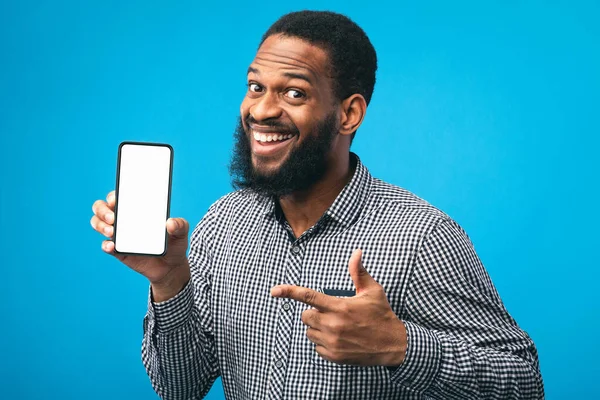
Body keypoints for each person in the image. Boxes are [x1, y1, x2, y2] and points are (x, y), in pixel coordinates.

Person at [90, 10, 544, 400]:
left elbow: (525, 384)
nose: (262, 111)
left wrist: (401, 347)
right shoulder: (223, 223)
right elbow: (179, 387)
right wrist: (170, 281)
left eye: (294, 93)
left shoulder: (420, 236)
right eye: (255, 87)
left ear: (349, 114)